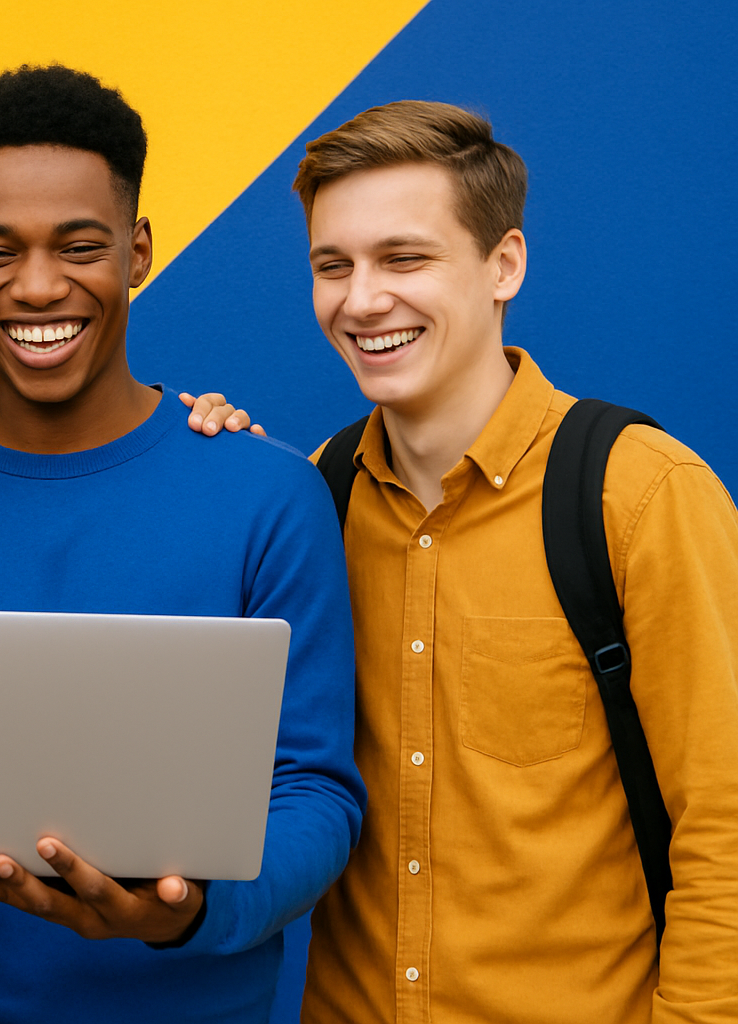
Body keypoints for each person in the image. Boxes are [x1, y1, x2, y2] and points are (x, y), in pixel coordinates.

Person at [0, 64, 364, 1023]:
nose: (39, 286)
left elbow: (316, 795)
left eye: (80, 246)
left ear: (137, 251)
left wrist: (180, 913)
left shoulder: (271, 498)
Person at [282, 101, 738, 1022]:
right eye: (335, 265)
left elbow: (727, 829)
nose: (362, 300)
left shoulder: (640, 495)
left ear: (505, 265)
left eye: (404, 258)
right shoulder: (310, 499)